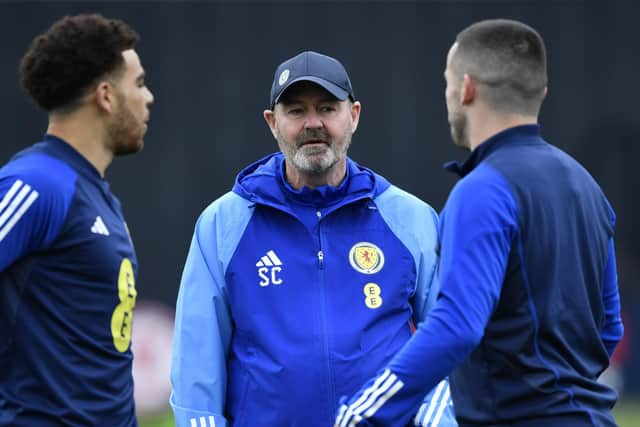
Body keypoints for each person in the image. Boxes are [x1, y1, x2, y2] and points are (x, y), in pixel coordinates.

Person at [335, 19, 624, 427]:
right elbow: (608, 328)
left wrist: (364, 413)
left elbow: (456, 327)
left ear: (466, 88)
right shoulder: (587, 186)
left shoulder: (482, 191)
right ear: (539, 92)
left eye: (447, 82)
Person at [170, 51, 456, 427]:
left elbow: (449, 339)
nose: (313, 124)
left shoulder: (410, 217)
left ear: (353, 115)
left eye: (326, 108)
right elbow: (196, 368)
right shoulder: (223, 223)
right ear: (272, 123)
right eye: (295, 111)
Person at [0, 14, 154, 426]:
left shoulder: (96, 195)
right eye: (138, 84)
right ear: (105, 95)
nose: (149, 98)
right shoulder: (36, 183)